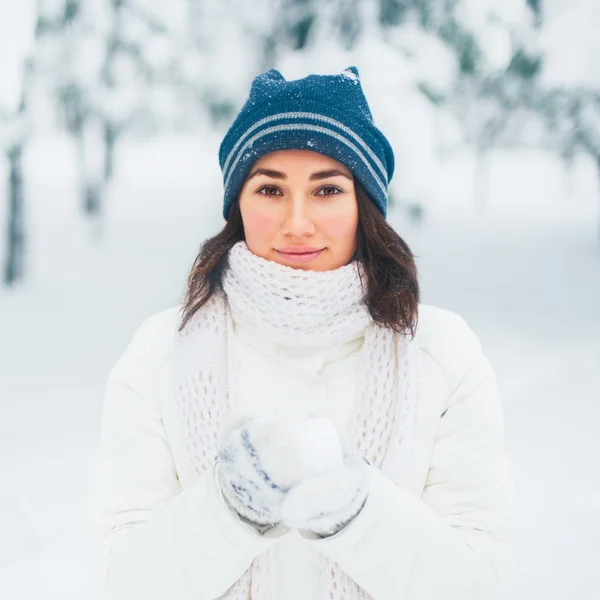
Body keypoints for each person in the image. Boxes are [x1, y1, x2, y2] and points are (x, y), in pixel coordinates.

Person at [89, 66, 516, 600]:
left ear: (364, 204)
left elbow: (481, 583)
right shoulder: (160, 353)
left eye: (327, 190)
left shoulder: (441, 351)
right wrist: (230, 507)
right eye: (269, 188)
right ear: (236, 203)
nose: (297, 223)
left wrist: (358, 513)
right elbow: (124, 583)